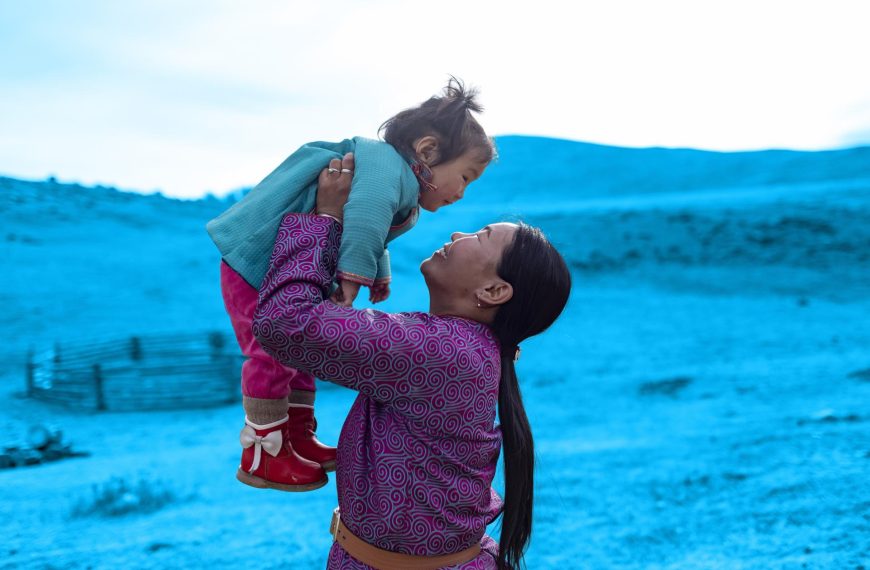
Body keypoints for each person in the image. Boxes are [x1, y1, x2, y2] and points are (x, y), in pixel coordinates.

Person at [251, 154, 572, 568]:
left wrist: (326, 219)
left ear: (494, 291)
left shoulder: (445, 351)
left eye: (482, 235)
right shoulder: (460, 348)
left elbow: (286, 323)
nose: (460, 232)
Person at [208, 78, 496, 491]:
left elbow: (373, 230)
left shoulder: (394, 179)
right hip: (256, 263)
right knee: (270, 351)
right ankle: (262, 454)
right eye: (464, 177)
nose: (462, 193)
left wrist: (377, 271)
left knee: (298, 353)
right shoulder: (383, 167)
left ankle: (297, 436)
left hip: (290, 265)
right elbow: (363, 218)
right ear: (428, 151)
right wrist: (353, 277)